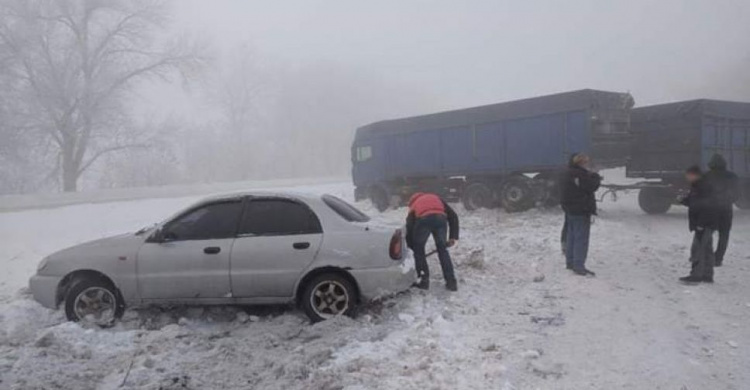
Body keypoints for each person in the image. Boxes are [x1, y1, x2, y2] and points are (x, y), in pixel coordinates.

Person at [405, 192, 459, 291]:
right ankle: (451, 283)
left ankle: (423, 282)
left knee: (419, 250)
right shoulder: (436, 198)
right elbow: (453, 216)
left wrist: (411, 247)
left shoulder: (414, 204)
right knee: (442, 250)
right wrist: (453, 236)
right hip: (441, 219)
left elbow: (409, 227)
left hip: (424, 220)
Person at [560, 153, 602, 276]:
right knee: (581, 238)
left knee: (571, 236)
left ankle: (570, 262)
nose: (587, 164)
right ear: (580, 163)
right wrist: (596, 176)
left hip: (570, 209)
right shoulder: (580, 175)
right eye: (585, 162)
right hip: (581, 210)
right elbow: (591, 186)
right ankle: (579, 266)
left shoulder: (567, 172)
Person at [678, 165, 718, 284]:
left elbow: (706, 207)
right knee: (707, 249)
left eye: (688, 175)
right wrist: (684, 200)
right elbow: (695, 202)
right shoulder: (698, 185)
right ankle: (707, 275)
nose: (687, 177)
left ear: (695, 175)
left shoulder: (703, 186)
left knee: (698, 249)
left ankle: (696, 275)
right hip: (707, 223)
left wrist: (701, 224)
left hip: (704, 223)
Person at [703, 154, 738, 267]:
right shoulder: (732, 176)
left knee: (707, 233)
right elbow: (737, 194)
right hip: (726, 209)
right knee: (724, 235)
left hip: (710, 210)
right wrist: (728, 200)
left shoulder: (706, 176)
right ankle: (718, 259)